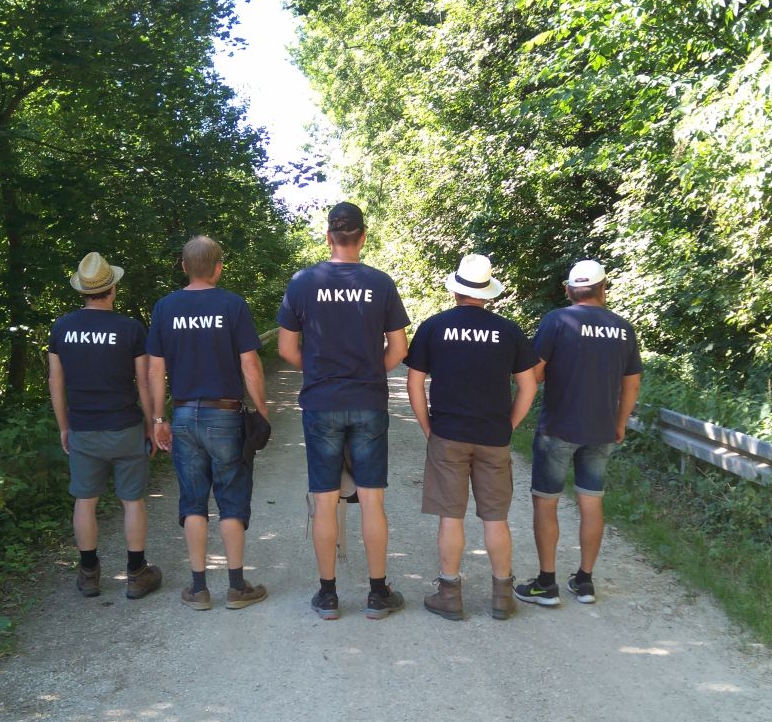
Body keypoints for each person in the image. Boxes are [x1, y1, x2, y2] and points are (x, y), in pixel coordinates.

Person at [276, 202, 410, 620]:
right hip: (368, 400)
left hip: (322, 402)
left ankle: (328, 596)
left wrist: (320, 372)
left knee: (324, 499)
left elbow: (286, 348)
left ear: (328, 237)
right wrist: (369, 371)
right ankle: (377, 594)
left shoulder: (303, 283)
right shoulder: (380, 283)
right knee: (372, 500)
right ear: (363, 237)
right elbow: (399, 349)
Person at [405, 254, 538, 621]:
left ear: (455, 290)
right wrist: (509, 424)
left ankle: (450, 594)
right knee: (496, 518)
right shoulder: (508, 331)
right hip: (493, 437)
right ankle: (502, 596)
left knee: (451, 516)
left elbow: (414, 382)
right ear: (486, 292)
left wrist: (427, 427)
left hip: (448, 435)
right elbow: (528, 386)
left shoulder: (434, 327)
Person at [148, 236, 269, 611]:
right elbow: (250, 364)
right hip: (225, 414)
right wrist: (261, 411)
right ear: (218, 268)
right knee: (231, 498)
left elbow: (155, 368)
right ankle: (236, 586)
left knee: (193, 500)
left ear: (185, 267)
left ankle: (199, 588)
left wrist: (158, 418)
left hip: (184, 415)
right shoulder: (232, 305)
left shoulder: (165, 307)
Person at [516, 260, 642, 607]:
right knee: (591, 500)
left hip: (558, 426)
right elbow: (632, 384)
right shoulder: (623, 328)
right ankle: (585, 581)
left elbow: (534, 374)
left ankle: (546, 583)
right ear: (603, 288)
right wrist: (620, 423)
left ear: (569, 290)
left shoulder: (557, 321)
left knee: (546, 501)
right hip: (602, 429)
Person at [48, 252, 161, 600]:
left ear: (83, 291)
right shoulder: (130, 329)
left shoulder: (62, 328)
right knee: (133, 501)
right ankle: (136, 573)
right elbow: (143, 382)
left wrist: (64, 426)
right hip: (125, 426)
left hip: (83, 428)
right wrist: (151, 424)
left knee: (85, 501)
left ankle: (88, 574)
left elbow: (55, 381)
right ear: (111, 288)